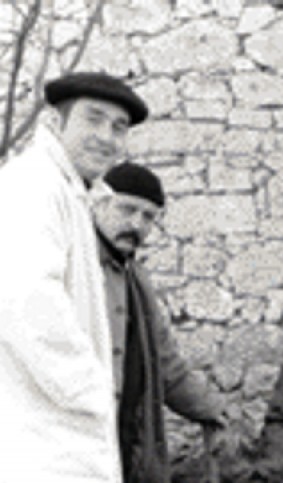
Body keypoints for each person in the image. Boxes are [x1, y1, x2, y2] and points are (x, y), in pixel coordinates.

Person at [0, 72, 147, 482]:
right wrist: (92, 392)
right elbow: (26, 299)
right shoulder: (32, 186)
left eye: (119, 127)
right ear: (54, 121)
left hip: (55, 443)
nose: (106, 137)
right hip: (40, 449)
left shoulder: (72, 192)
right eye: (93, 119)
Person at [92, 162, 227, 482]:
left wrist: (213, 410)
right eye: (127, 209)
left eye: (148, 217)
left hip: (127, 449)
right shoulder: (74, 267)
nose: (137, 224)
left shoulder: (137, 280)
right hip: (76, 448)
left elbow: (166, 366)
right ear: (99, 204)